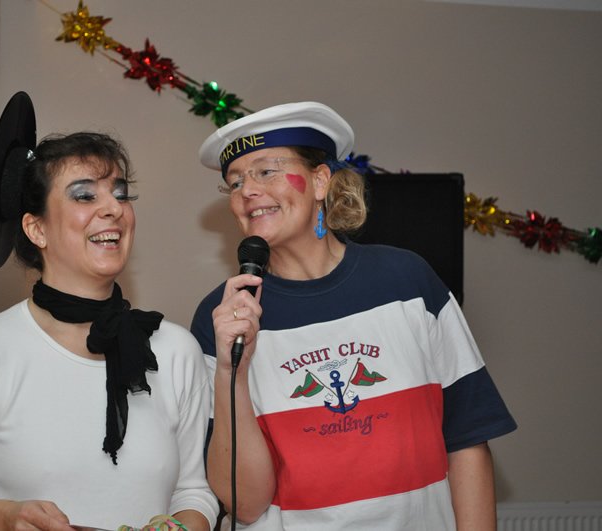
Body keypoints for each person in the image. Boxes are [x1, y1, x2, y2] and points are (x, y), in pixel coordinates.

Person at [0, 92, 218, 531]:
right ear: (37, 229)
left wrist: (181, 526)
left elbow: (193, 491)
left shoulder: (177, 350)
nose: (114, 209)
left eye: (121, 194)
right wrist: (4, 517)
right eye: (84, 196)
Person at [191, 101, 517, 530]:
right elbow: (245, 506)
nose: (247, 190)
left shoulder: (407, 281)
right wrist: (231, 373)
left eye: (266, 171)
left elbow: (467, 437)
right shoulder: (224, 318)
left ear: (320, 181)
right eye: (235, 182)